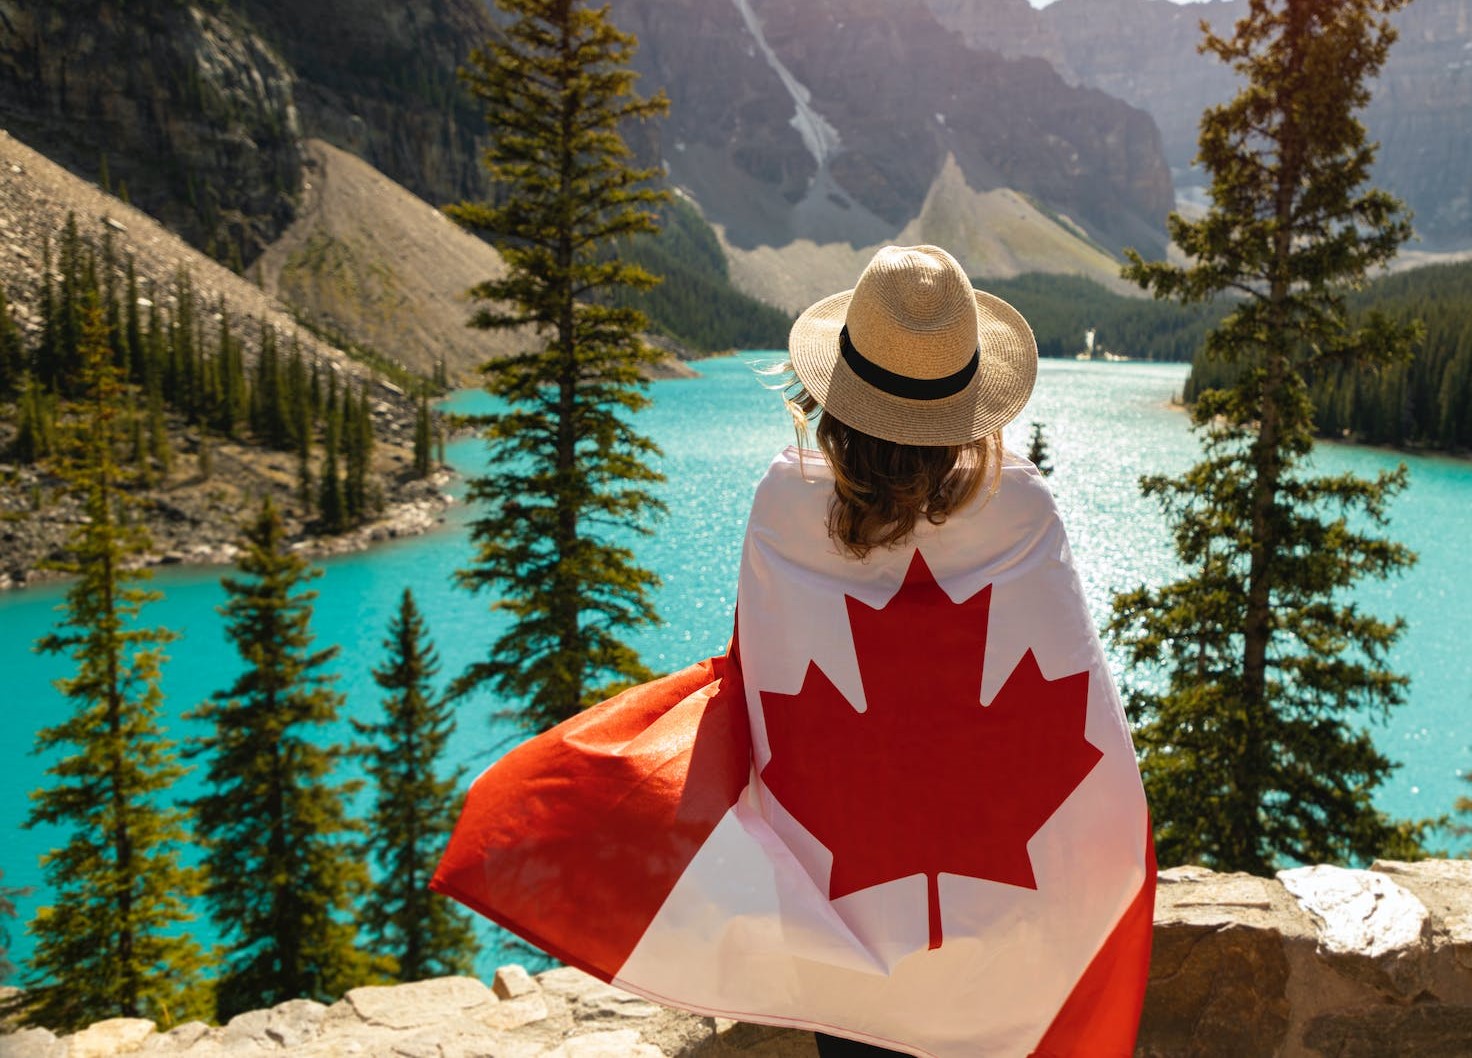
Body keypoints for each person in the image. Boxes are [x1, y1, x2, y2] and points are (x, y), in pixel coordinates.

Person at [434, 245, 1153, 1057]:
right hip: (1011, 947)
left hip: (843, 932)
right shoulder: (1021, 506)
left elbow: (759, 679)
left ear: (833, 395)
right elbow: (1084, 712)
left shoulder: (785, 503)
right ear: (970, 404)